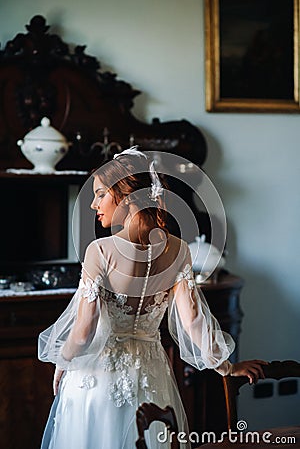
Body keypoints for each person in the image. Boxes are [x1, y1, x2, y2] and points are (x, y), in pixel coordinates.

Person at [38, 147, 267, 449]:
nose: (94, 204)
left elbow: (84, 329)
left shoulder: (101, 251)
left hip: (98, 379)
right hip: (152, 376)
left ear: (128, 198)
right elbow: (193, 319)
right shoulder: (179, 249)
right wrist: (225, 366)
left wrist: (62, 361)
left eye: (100, 194)